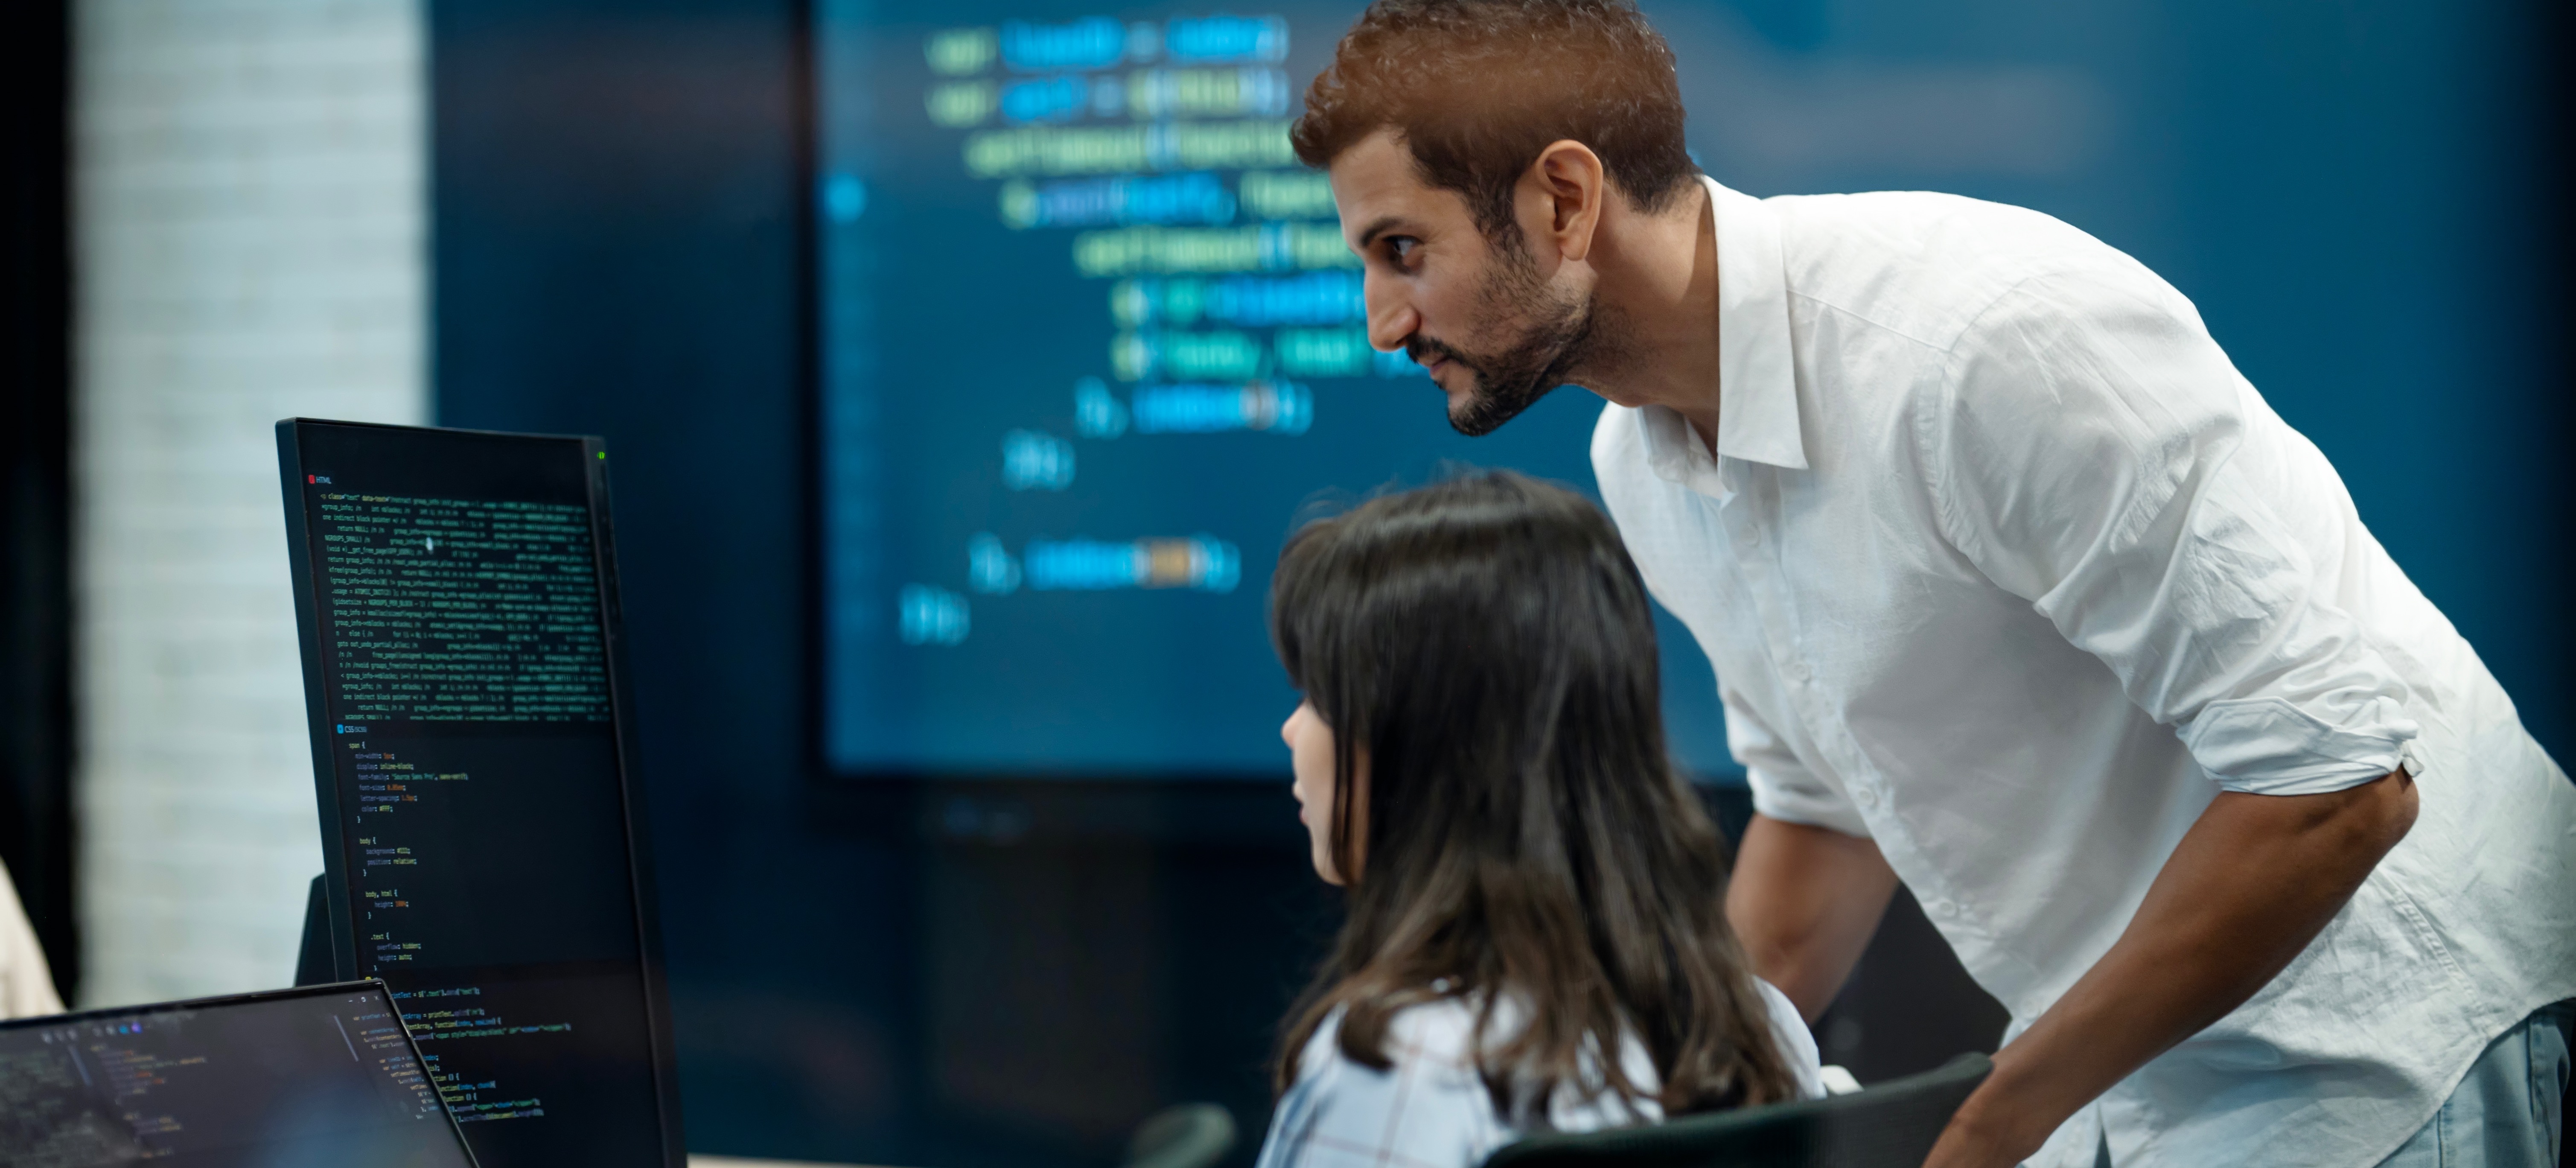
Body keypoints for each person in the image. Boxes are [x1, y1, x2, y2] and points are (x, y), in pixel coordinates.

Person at [1288, 2, 2576, 1166]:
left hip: (2397, 1035)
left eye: (1402, 250)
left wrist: (1991, 1126)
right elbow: (1818, 817)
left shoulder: (1979, 346)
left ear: (1562, 200)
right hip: (2127, 1074)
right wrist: (1687, 1116)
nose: (1380, 321)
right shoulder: (1639, 456)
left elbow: (2339, 785)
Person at [1252, 471, 1825, 1168]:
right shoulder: (1760, 1027)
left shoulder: (1400, 1065)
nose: (1292, 730)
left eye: (1319, 695)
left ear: (1423, 743)